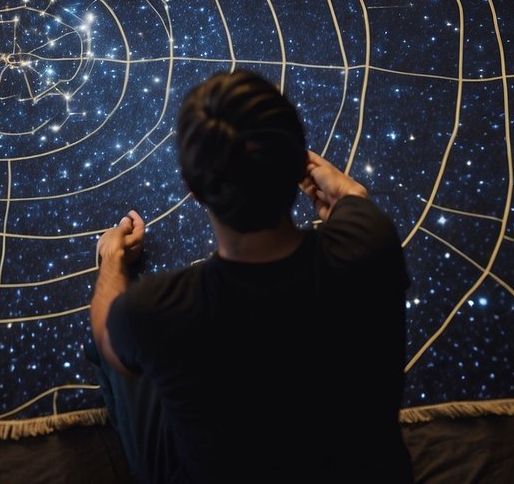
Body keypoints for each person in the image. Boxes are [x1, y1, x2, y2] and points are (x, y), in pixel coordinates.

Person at [88, 70, 412, 482]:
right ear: (300, 165)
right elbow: (357, 205)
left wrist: (112, 259)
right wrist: (351, 196)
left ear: (194, 189)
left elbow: (106, 333)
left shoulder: (157, 311)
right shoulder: (371, 241)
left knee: (119, 350)